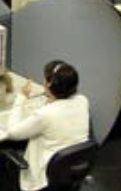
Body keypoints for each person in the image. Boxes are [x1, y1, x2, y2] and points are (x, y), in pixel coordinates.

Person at [6, 61, 90, 191]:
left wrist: (21, 97)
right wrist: (50, 98)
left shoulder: (45, 114)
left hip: (44, 178)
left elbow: (12, 133)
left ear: (49, 84)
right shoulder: (82, 101)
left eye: (45, 78)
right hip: (70, 170)